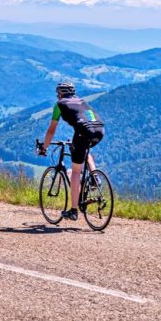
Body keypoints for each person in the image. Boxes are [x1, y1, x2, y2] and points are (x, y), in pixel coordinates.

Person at [38, 81, 105, 221]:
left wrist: (44, 147)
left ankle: (73, 211)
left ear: (60, 93)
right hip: (99, 130)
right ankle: (94, 176)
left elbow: (51, 131)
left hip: (83, 131)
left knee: (74, 171)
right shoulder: (81, 101)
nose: (57, 96)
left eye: (58, 93)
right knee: (84, 149)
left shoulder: (60, 105)